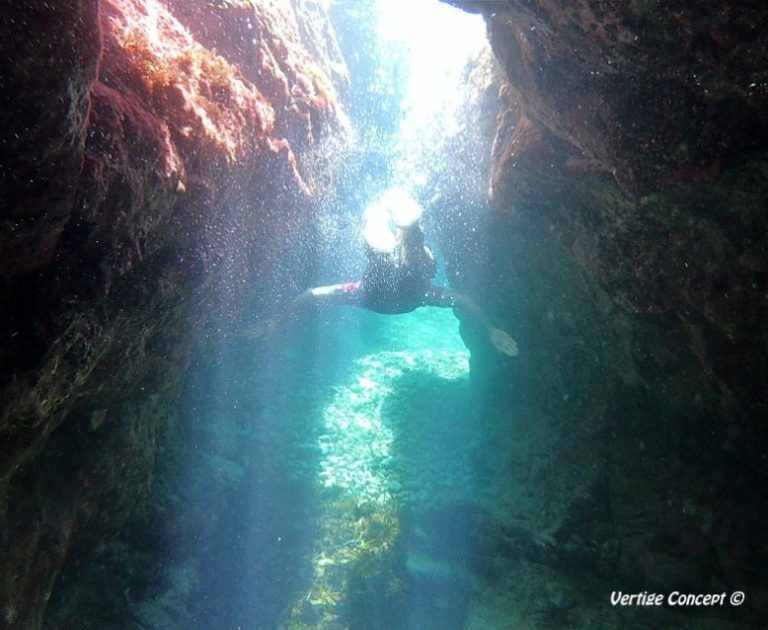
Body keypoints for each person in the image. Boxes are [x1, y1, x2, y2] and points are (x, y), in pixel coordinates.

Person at [250, 190, 519, 357]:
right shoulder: (422, 292)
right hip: (404, 290)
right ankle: (408, 235)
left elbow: (311, 295)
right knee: (418, 266)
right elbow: (462, 300)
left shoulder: (360, 292)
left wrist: (276, 321)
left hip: (379, 292)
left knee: (403, 265)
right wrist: (490, 329)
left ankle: (390, 235)